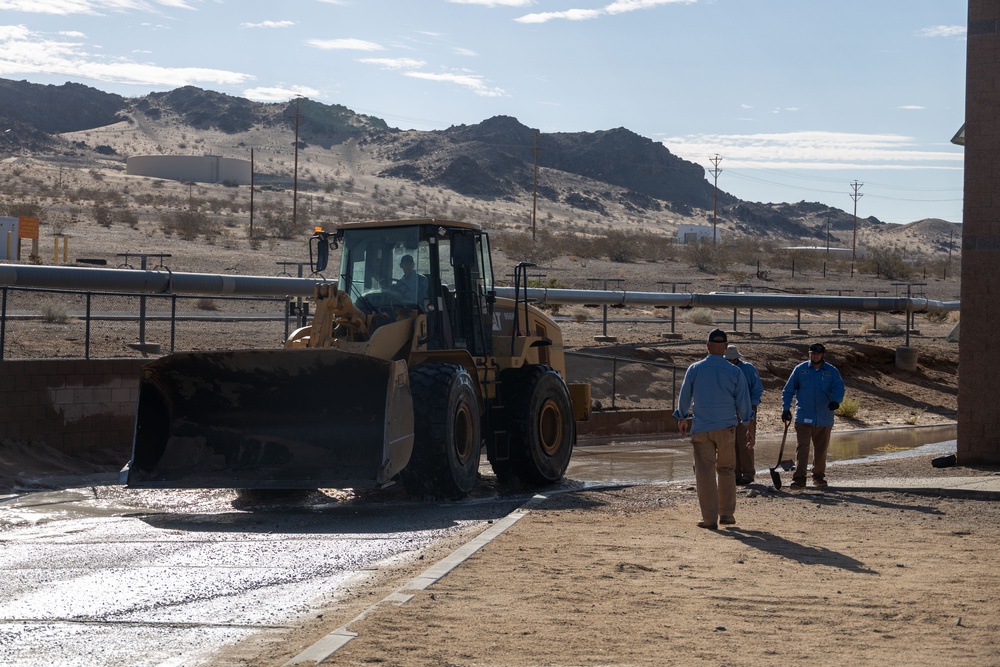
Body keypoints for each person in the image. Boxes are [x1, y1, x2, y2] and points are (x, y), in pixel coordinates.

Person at [673, 328, 755, 529]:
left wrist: (682, 417)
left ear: (707, 346)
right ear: (726, 348)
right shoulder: (735, 371)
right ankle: (726, 514)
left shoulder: (694, 369)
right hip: (726, 428)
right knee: (726, 469)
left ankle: (709, 519)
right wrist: (748, 425)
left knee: (705, 472)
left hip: (701, 428)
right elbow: (743, 404)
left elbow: (684, 397)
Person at [780, 342, 846, 490]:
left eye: (817, 354)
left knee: (821, 449)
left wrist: (836, 401)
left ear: (823, 355)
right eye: (812, 353)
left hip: (824, 418)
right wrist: (785, 409)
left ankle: (818, 476)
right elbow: (788, 390)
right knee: (802, 447)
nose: (815, 356)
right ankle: (799, 478)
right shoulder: (800, 369)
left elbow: (839, 388)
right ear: (809, 354)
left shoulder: (832, 371)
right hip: (803, 416)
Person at [724, 345, 764, 485]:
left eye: (732, 359)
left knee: (745, 441)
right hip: (728, 410)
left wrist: (751, 406)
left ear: (737, 358)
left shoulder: (748, 369)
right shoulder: (722, 369)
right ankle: (735, 474)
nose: (730, 362)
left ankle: (748, 474)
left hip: (746, 409)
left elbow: (757, 389)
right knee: (731, 442)